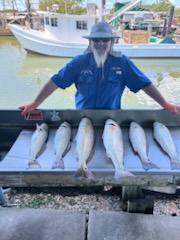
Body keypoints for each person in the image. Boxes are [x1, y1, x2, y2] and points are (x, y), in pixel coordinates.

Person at [20, 21, 180, 115]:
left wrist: (165, 104)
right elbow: (54, 82)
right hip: (83, 117)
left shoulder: (122, 62)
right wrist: (34, 104)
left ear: (112, 42)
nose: (100, 44)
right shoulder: (78, 62)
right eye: (96, 40)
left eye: (105, 40)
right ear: (90, 43)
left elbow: (145, 84)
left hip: (112, 118)